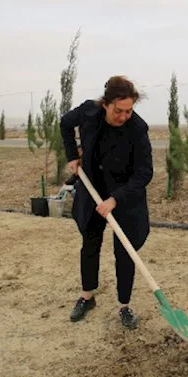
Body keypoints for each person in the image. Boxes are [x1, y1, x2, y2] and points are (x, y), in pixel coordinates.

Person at [60, 76, 153, 329]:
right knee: (90, 242)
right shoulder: (88, 112)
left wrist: (115, 199)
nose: (124, 116)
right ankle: (87, 296)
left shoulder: (137, 129)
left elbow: (144, 173)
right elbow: (65, 124)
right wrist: (72, 156)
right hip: (92, 187)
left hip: (125, 194)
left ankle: (124, 306)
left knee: (125, 249)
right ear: (106, 104)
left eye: (129, 110)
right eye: (118, 110)